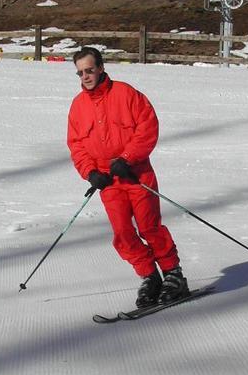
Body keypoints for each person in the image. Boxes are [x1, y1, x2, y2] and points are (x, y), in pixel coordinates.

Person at [67, 46, 188, 307]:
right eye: (79, 73)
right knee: (122, 233)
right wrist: (90, 173)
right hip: (108, 181)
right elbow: (76, 144)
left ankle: (173, 275)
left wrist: (128, 158)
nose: (85, 77)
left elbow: (147, 126)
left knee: (149, 227)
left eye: (89, 70)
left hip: (135, 173)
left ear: (100, 68)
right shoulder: (78, 106)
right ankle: (150, 276)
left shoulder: (126, 94)